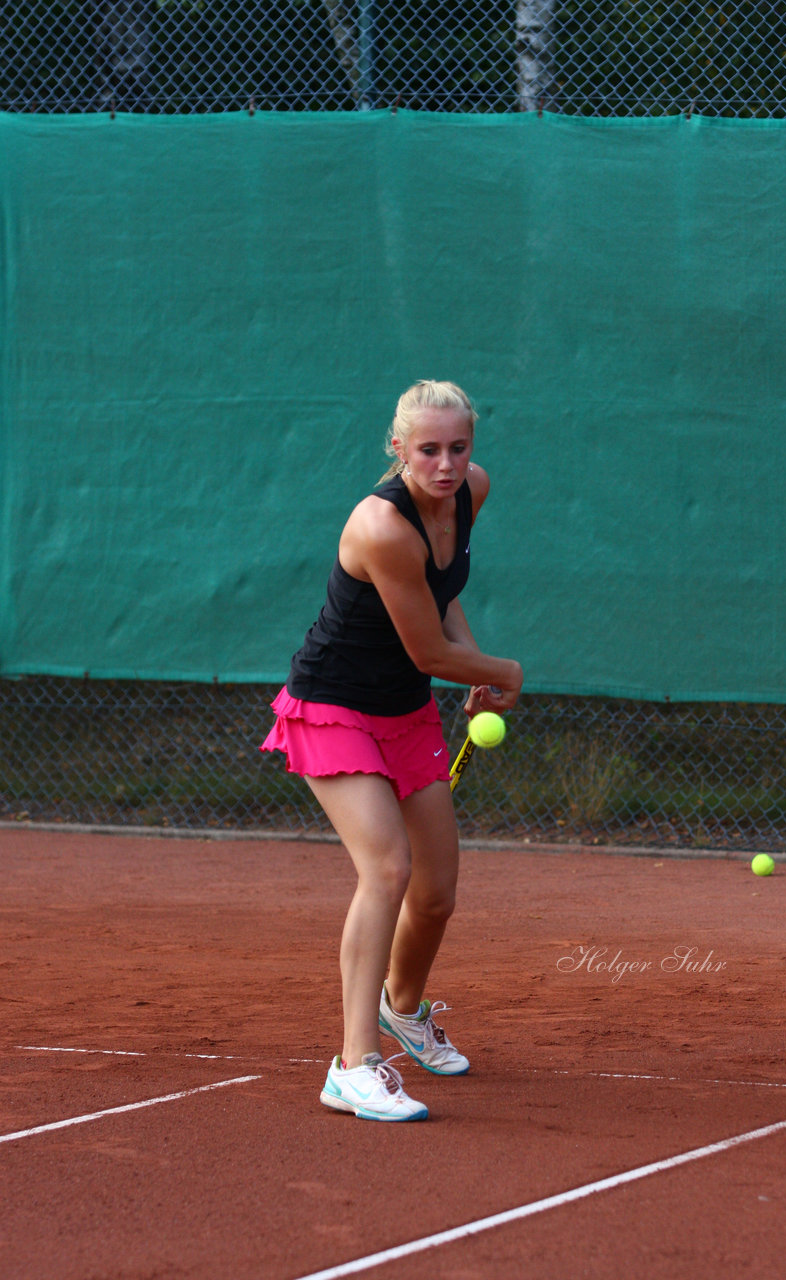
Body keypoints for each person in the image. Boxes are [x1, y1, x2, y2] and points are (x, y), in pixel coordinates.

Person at [260, 379, 523, 1121]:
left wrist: (472, 653)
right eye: (428, 450)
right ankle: (352, 1064)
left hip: (403, 712)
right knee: (388, 868)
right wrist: (499, 670)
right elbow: (426, 649)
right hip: (333, 706)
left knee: (436, 890)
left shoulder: (472, 491)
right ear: (398, 449)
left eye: (458, 447)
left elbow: (440, 592)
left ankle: (402, 1009)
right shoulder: (380, 525)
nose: (445, 464)